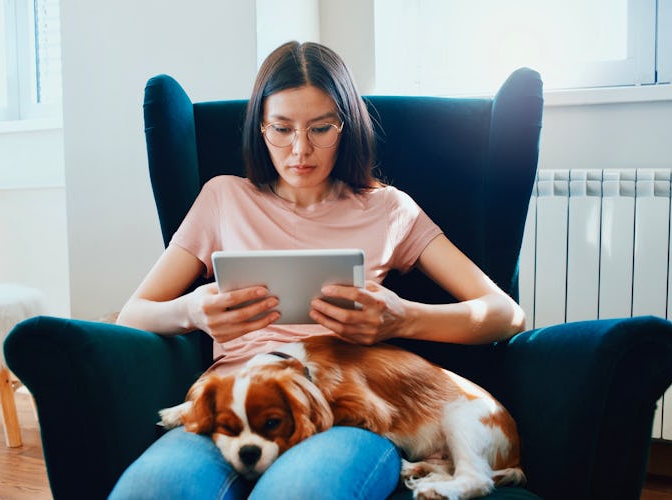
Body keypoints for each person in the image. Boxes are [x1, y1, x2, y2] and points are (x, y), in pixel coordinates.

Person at [109, 41, 526, 500]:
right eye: (282, 129)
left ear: (346, 126)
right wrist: (192, 311)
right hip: (235, 402)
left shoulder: (388, 208)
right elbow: (132, 314)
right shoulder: (222, 198)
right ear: (259, 128)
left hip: (345, 406)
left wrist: (404, 317)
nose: (300, 151)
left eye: (321, 128)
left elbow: (506, 314)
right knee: (151, 491)